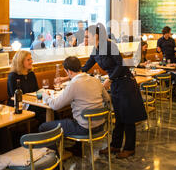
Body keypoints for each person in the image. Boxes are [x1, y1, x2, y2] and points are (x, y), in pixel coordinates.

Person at [81, 23, 147, 159]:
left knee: (128, 117)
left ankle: (130, 148)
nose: (86, 39)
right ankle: (115, 145)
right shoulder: (96, 49)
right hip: (116, 84)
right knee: (119, 117)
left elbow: (121, 64)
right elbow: (86, 66)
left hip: (125, 82)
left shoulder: (110, 45)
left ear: (97, 36)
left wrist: (110, 79)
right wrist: (68, 76)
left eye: (88, 36)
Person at [40, 56, 110, 156]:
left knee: (44, 127)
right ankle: (77, 149)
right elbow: (107, 98)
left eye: (66, 72)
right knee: (74, 117)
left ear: (69, 71)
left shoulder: (74, 84)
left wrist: (45, 95)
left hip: (85, 129)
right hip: (101, 126)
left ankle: (55, 159)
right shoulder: (95, 80)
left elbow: (55, 105)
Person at [7, 51, 46, 124]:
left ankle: (57, 130)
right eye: (28, 60)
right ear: (20, 62)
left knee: (50, 107)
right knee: (42, 109)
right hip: (18, 105)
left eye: (31, 59)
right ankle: (47, 131)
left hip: (32, 102)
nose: (31, 61)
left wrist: (45, 93)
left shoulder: (31, 74)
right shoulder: (13, 76)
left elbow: (36, 90)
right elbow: (15, 96)